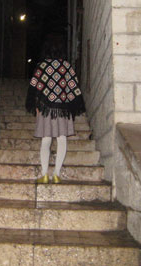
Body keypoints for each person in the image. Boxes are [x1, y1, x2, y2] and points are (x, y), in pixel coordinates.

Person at [25, 43, 85, 183]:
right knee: (62, 139)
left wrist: (36, 105)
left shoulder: (42, 66)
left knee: (46, 140)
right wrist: (71, 105)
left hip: (46, 107)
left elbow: (35, 87)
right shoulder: (66, 66)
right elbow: (73, 86)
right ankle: (57, 174)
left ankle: (45, 175)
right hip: (63, 108)